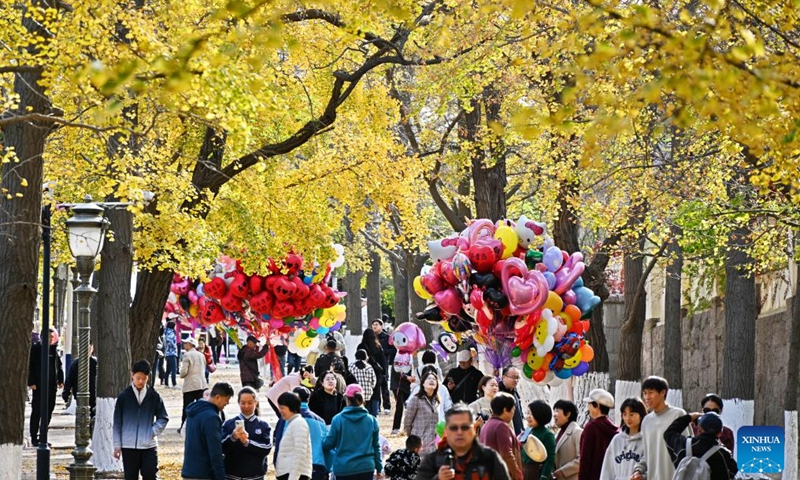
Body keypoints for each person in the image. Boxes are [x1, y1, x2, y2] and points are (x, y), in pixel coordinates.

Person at [416, 403, 510, 480]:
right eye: (454, 428)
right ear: (447, 431)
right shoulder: (432, 461)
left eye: (465, 427)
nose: (459, 432)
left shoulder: (490, 458)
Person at [112, 360, 169, 480]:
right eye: (138, 378)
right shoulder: (124, 397)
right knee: (131, 477)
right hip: (128, 446)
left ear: (148, 378)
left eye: (144, 378)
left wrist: (152, 431)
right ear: (132, 375)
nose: (140, 381)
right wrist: (117, 445)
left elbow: (163, 417)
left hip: (149, 445)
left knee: (150, 474)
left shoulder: (153, 396)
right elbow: (117, 423)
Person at [631, 376, 690, 480]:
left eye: (651, 392)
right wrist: (638, 470)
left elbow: (688, 451)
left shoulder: (678, 415)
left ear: (663, 392)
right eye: (644, 393)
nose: (647, 397)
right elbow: (647, 453)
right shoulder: (646, 421)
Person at [323, 384, 384, 480]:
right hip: (366, 467)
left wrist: (321, 440)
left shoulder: (338, 419)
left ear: (347, 399)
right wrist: (379, 468)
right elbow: (376, 446)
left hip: (343, 468)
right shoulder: (371, 420)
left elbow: (329, 443)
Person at [181, 382, 233, 479]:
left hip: (189, 469)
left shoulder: (195, 411)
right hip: (204, 473)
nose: (227, 403)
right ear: (218, 397)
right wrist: (220, 477)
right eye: (227, 399)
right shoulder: (212, 417)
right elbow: (215, 451)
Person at [664, 412, 737, 479]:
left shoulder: (684, 444)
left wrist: (689, 417)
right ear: (720, 433)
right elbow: (732, 471)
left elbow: (669, 433)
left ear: (698, 429)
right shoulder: (723, 455)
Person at [221, 387, 273, 479]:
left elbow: (266, 448)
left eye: (250, 403)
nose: (246, 406)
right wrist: (232, 437)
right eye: (243, 403)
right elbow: (221, 448)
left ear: (256, 402)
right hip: (232, 476)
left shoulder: (263, 425)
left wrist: (247, 443)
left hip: (255, 476)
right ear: (238, 403)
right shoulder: (228, 424)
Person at [28, 327, 63, 447]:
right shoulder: (36, 349)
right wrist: (31, 382)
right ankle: (34, 437)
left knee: (48, 412)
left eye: (52, 338)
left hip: (51, 388)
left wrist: (60, 380)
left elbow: (59, 366)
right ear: (42, 337)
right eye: (48, 337)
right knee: (37, 411)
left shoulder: (53, 350)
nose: (50, 340)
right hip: (38, 387)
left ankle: (43, 436)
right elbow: (30, 366)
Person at [600, 398, 647, 480]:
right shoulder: (617, 440)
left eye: (631, 414)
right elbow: (607, 469)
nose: (627, 418)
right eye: (624, 414)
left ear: (641, 415)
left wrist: (643, 477)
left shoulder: (647, 440)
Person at [479, 393, 523, 480]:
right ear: (505, 410)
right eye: (513, 410)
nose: (513, 413)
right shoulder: (501, 426)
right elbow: (507, 454)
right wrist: (517, 475)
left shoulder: (486, 425)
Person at [579, 389, 618, 480]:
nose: (588, 408)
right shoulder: (615, 429)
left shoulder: (591, 428)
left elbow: (585, 459)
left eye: (589, 404)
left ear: (596, 405)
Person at [274, 392, 313, 480]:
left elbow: (300, 453)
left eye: (282, 408)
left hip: (294, 475)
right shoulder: (292, 423)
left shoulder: (298, 423)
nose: (280, 411)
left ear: (291, 407)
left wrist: (293, 477)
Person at [404, 371, 441, 454]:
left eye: (434, 379)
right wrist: (413, 438)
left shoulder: (437, 401)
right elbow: (407, 421)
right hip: (419, 445)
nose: (432, 380)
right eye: (429, 379)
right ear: (423, 383)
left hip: (433, 444)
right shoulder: (416, 399)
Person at [519, 400, 556, 480]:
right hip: (524, 472)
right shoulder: (527, 431)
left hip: (537, 473)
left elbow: (550, 459)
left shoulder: (547, 435)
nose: (528, 416)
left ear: (540, 415)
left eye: (531, 414)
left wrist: (544, 477)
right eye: (527, 413)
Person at [178, 336, 208, 434]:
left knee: (187, 406)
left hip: (190, 385)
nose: (184, 344)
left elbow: (183, 372)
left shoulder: (187, 355)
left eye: (185, 343)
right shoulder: (201, 355)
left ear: (190, 345)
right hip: (202, 384)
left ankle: (184, 426)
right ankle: (202, 426)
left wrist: (180, 373)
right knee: (201, 406)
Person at [62, 343, 97, 425]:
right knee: (82, 415)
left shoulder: (95, 363)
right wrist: (66, 393)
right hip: (79, 394)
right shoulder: (76, 363)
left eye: (89, 348)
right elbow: (69, 379)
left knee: (92, 415)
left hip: (93, 395)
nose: (87, 350)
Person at [357, 328, 388, 415]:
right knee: (376, 392)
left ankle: (364, 409)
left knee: (365, 391)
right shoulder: (378, 346)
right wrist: (384, 372)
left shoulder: (361, 346)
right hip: (377, 373)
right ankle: (375, 409)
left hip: (364, 372)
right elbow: (383, 360)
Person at [552, 399, 582, 480]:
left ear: (568, 414)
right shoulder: (559, 433)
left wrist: (562, 472)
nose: (554, 415)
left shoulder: (577, 432)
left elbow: (581, 459)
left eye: (557, 411)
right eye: (554, 411)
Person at [373, 318, 396, 415]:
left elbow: (393, 350)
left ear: (381, 326)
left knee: (384, 386)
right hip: (373, 364)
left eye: (376, 324)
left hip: (384, 364)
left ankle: (387, 406)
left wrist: (384, 353)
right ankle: (377, 406)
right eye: (373, 324)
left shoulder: (387, 337)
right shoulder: (371, 337)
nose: (374, 326)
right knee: (375, 386)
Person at [350, 349, 378, 415]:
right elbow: (374, 381)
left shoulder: (351, 366)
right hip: (367, 394)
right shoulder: (369, 367)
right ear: (366, 357)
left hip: (354, 393)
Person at [498, 367, 524, 435]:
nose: (516, 380)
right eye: (513, 377)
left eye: (518, 378)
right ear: (504, 377)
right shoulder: (497, 394)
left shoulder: (515, 392)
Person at [163, 321, 179, 388]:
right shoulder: (171, 333)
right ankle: (174, 384)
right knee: (173, 369)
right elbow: (170, 342)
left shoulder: (166, 332)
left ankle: (166, 383)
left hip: (167, 353)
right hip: (172, 353)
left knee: (168, 370)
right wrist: (174, 347)